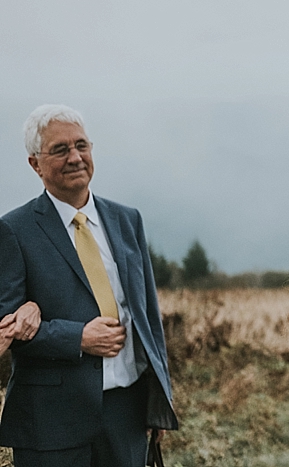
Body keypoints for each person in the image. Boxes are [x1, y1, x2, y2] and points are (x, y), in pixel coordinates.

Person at [0, 105, 178, 467]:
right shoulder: (14, 230)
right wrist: (77, 337)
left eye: (81, 145)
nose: (75, 157)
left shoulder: (127, 220)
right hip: (51, 420)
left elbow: (147, 314)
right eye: (60, 149)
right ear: (35, 164)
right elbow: (6, 323)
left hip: (125, 412)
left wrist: (159, 400)